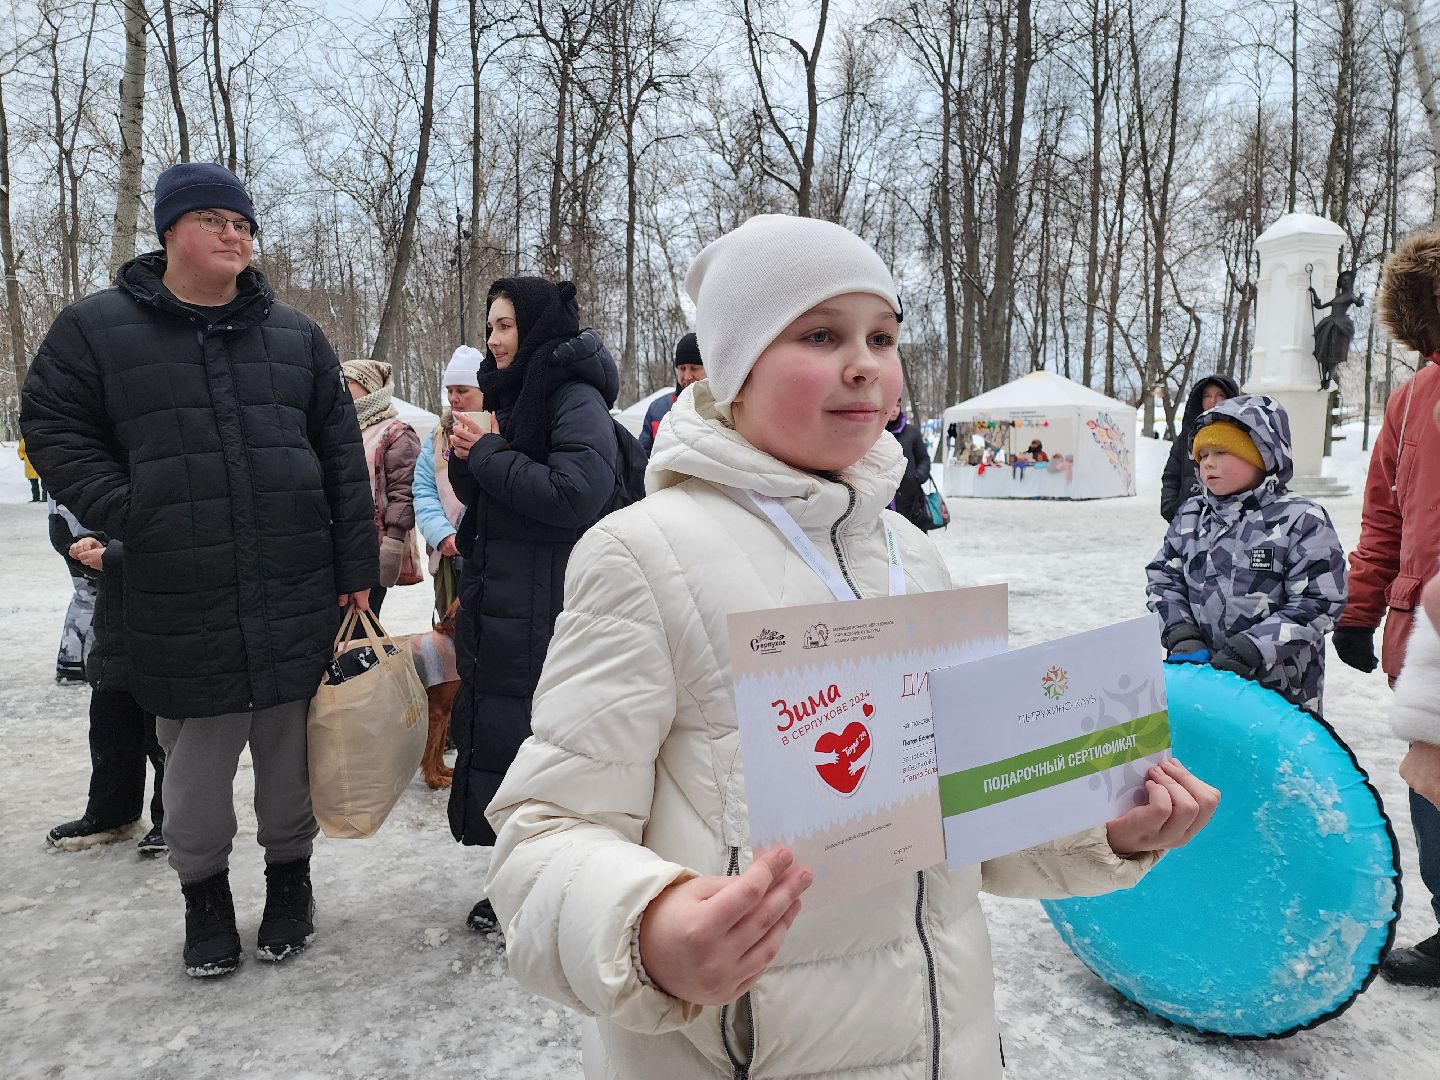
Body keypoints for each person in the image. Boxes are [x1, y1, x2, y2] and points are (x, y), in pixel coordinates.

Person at [483, 215, 1219, 1080]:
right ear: (735, 370)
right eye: (821, 335)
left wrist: (1104, 826)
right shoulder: (644, 555)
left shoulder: (912, 555)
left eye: (883, 336)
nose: (865, 363)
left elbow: (960, 811)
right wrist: (648, 932)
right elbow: (543, 838)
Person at [20, 161, 377, 979]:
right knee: (194, 770)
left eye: (243, 223)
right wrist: (129, 507)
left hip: (291, 581)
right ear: (169, 231)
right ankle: (204, 900)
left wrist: (354, 565)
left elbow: (340, 459)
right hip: (179, 590)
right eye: (214, 219)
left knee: (289, 761)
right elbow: (52, 423)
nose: (234, 235)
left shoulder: (296, 335)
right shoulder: (96, 328)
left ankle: (290, 883)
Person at [445, 276, 621, 933]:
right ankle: (520, 877)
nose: (493, 340)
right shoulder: (514, 392)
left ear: (537, 327)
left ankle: (550, 884)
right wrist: (467, 458)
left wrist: (488, 453)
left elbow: (575, 492)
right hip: (506, 598)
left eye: (506, 326)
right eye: (490, 326)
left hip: (551, 603)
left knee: (544, 750)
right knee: (508, 740)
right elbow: (498, 491)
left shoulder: (573, 395)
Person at [1335, 228, 1440, 986]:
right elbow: (1385, 519)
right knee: (1431, 783)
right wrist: (1359, 610)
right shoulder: (1409, 401)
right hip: (1428, 640)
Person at [1145, 396, 1346, 716]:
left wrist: (1252, 648)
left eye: (1221, 452)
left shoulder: (1301, 519)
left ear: (1263, 454)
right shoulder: (1191, 516)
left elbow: (1319, 601)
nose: (1207, 463)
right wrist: (1180, 633)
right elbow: (1164, 579)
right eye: (1202, 455)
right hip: (1200, 680)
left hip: (1277, 693)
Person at [47, 533, 166, 854]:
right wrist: (87, 544)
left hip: (170, 641)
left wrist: (112, 557)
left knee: (166, 743)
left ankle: (175, 821)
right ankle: (113, 813)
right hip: (116, 640)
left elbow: (180, 547)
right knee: (111, 731)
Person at [341, 358, 420, 617]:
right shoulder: (341, 428)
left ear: (368, 386)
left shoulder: (396, 433)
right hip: (344, 545)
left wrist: (393, 545)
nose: (341, 388)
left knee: (362, 621)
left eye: (348, 382)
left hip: (374, 546)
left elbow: (404, 492)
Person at [414, 345, 483, 619]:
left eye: (462, 390)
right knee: (451, 630)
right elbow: (424, 491)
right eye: (450, 390)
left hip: (495, 559)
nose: (453, 398)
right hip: (451, 559)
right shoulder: (438, 437)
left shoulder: (502, 430)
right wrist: (441, 534)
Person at [1160, 374, 1240, 521]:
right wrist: (1171, 508)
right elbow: (1171, 475)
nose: (1213, 401)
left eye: (1220, 395)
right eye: (1207, 396)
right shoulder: (1186, 437)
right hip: (1185, 522)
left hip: (1229, 523)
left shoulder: (1243, 437)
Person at [47, 500, 98, 684]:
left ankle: (71, 661)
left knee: (86, 594)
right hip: (77, 527)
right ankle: (74, 663)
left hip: (68, 523)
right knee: (89, 594)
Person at [637, 332, 705, 455]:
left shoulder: (723, 408)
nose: (687, 376)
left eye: (694, 368)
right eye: (682, 368)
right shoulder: (657, 409)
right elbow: (641, 456)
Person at [885, 395, 932, 525]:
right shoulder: (877, 434)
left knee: (913, 533)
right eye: (891, 406)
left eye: (897, 405)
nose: (894, 409)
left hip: (911, 498)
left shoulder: (912, 433)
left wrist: (917, 476)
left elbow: (924, 459)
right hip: (885, 496)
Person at [17, 437, 43, 501]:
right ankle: (35, 498)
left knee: (44, 484)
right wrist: (23, 457)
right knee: (34, 484)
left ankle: (45, 498)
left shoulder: (40, 439)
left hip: (41, 463)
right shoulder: (24, 441)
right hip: (30, 465)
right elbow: (20, 450)